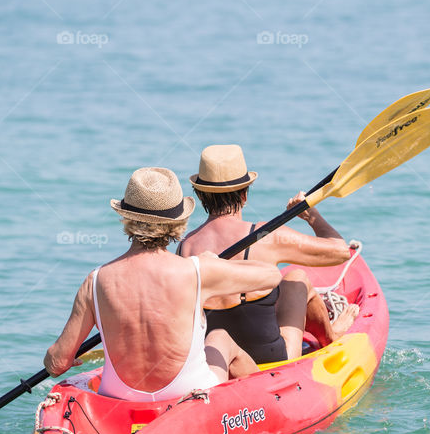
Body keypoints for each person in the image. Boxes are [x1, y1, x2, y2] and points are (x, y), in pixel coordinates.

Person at [43, 167, 282, 402]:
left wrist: (65, 357)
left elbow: (56, 364)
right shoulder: (197, 270)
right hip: (187, 393)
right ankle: (270, 403)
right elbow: (272, 276)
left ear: (127, 216)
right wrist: (214, 263)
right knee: (220, 338)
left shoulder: (95, 281)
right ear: (177, 222)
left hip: (121, 398)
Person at [178, 145, 359, 364]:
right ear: (244, 194)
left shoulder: (184, 247)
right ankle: (331, 335)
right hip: (269, 358)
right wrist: (310, 215)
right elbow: (340, 251)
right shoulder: (264, 235)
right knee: (296, 279)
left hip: (217, 358)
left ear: (201, 195)